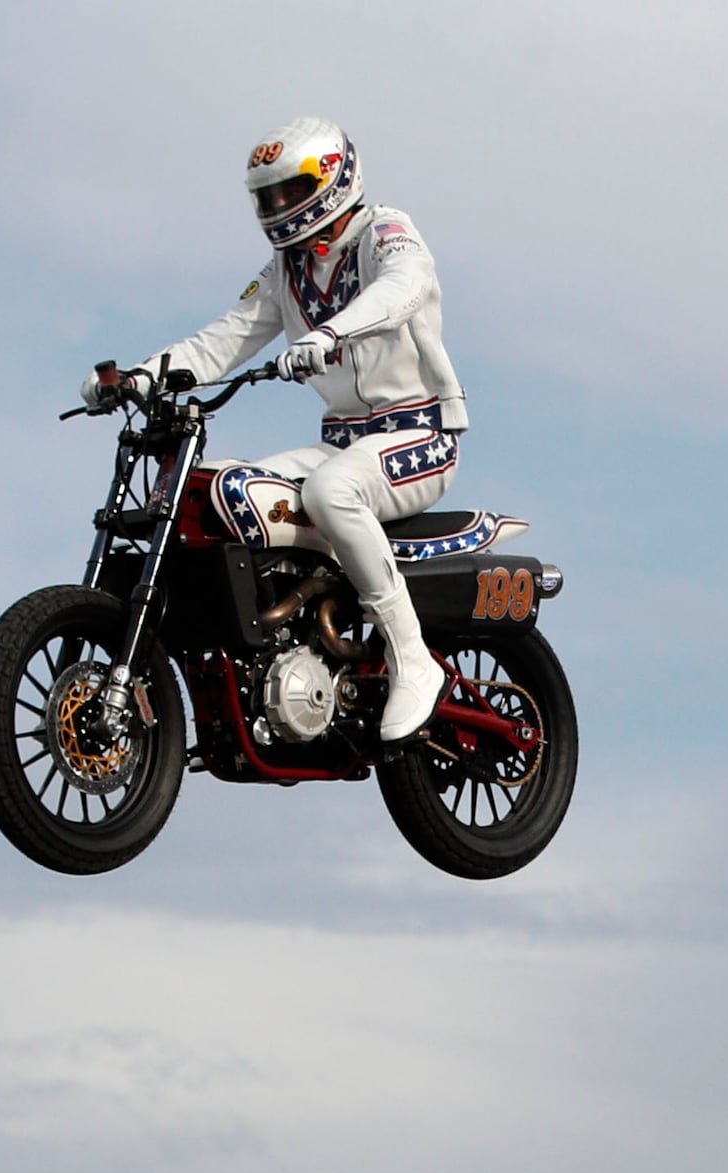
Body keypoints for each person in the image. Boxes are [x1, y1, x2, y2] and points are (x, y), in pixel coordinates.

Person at [82, 118, 467, 744]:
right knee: (228, 490)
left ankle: (412, 659)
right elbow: (222, 340)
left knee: (331, 492)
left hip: (418, 435)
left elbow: (405, 287)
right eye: (268, 196)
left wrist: (331, 333)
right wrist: (138, 379)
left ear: (334, 179)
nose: (279, 207)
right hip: (343, 439)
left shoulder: (385, 233)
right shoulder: (284, 270)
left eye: (291, 191)